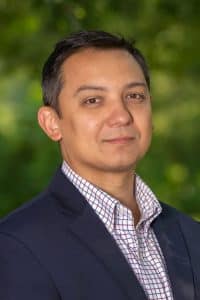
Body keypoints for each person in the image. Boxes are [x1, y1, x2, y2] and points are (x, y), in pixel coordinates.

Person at [0, 30, 199, 300]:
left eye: (135, 96)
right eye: (93, 100)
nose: (121, 116)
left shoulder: (191, 236)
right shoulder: (16, 246)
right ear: (51, 123)